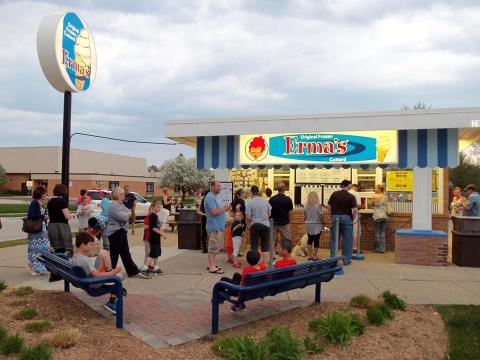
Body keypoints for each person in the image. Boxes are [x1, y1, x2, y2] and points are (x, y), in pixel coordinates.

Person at [72, 232, 125, 314]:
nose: (92, 246)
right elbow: (96, 274)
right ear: (83, 245)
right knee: (120, 278)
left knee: (103, 253)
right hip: (93, 283)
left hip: (85, 281)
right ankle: (112, 302)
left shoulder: (76, 256)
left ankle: (110, 280)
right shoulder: (83, 260)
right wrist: (112, 273)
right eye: (90, 244)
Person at [105, 187, 149, 279]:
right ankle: (108, 273)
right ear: (117, 195)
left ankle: (133, 271)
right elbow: (124, 217)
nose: (124, 196)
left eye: (123, 194)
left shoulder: (120, 204)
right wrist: (127, 215)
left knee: (125, 253)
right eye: (121, 194)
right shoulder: (113, 205)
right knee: (114, 254)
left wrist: (127, 214)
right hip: (115, 233)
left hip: (121, 232)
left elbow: (128, 213)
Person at [327, 179, 357, 265]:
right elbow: (355, 210)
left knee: (334, 239)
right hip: (347, 218)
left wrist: (331, 215)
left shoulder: (334, 194)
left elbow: (328, 206)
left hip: (335, 217)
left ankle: (333, 260)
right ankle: (346, 260)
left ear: (341, 186)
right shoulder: (351, 196)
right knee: (347, 239)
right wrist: (352, 218)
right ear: (348, 186)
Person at [204, 181, 232, 274]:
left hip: (217, 226)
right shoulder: (210, 197)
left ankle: (212, 265)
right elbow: (214, 212)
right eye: (218, 186)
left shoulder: (214, 196)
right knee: (213, 248)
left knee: (215, 247)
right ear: (212, 186)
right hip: (214, 227)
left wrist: (224, 208)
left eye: (220, 186)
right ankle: (212, 267)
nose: (220, 188)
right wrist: (225, 209)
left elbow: (217, 210)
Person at [26, 186, 49, 276]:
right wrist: (43, 216)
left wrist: (44, 216)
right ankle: (33, 267)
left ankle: (38, 267)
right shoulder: (34, 203)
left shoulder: (41, 203)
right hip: (36, 231)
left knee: (43, 249)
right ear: (41, 194)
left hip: (42, 230)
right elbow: (30, 215)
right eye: (45, 193)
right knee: (35, 249)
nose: (46, 194)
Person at [47, 184, 76, 257]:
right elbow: (67, 216)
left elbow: (49, 216)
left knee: (55, 247)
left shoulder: (50, 202)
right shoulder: (62, 202)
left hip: (51, 226)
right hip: (61, 226)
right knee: (64, 248)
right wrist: (72, 215)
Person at [246, 185, 272, 263]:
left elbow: (248, 218)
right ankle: (265, 265)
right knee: (265, 246)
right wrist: (264, 218)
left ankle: (254, 264)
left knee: (254, 246)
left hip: (255, 225)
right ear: (258, 192)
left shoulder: (250, 203)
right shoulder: (265, 201)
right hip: (266, 225)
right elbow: (270, 213)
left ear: (251, 193)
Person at [140, 200, 166, 276]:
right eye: (157, 207)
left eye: (160, 207)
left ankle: (156, 268)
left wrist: (160, 226)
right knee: (152, 254)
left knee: (156, 253)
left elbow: (156, 226)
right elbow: (154, 228)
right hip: (153, 238)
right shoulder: (153, 216)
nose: (159, 208)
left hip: (156, 238)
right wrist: (162, 233)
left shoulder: (155, 215)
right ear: (152, 207)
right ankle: (144, 269)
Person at [269, 183, 293, 249]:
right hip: (285, 223)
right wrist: (290, 223)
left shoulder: (272, 199)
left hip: (273, 223)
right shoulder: (288, 200)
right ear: (284, 189)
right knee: (288, 240)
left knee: (273, 240)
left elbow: (269, 212)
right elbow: (290, 213)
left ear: (277, 189)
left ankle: (272, 256)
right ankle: (286, 255)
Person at [303, 191, 324, 261]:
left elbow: (305, 216)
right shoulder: (318, 205)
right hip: (317, 225)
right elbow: (321, 215)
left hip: (308, 225)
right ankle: (315, 256)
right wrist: (323, 222)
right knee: (316, 240)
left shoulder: (305, 205)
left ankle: (310, 255)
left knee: (309, 239)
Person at [372, 184, 388, 253]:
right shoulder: (385, 196)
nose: (375, 189)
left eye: (376, 188)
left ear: (379, 189)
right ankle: (383, 248)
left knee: (377, 232)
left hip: (377, 216)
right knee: (382, 232)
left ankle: (378, 248)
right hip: (384, 216)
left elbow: (372, 204)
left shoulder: (375, 196)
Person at [349, 184, 362, 252]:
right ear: (355, 187)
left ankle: (348, 247)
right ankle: (354, 248)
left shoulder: (347, 192)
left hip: (347, 214)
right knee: (355, 231)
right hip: (354, 214)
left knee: (348, 231)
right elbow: (359, 205)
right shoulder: (356, 193)